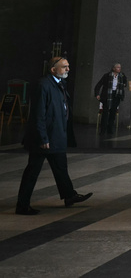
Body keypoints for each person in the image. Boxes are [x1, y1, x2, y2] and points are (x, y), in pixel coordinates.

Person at [16, 57, 92, 215]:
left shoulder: (59, 84)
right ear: (53, 69)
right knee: (32, 171)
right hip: (44, 138)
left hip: (56, 136)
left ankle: (69, 196)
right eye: (64, 67)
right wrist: (43, 138)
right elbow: (39, 114)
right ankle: (22, 205)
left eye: (68, 66)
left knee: (60, 167)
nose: (68, 69)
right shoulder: (44, 85)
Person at [93, 63, 127, 136]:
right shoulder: (107, 76)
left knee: (113, 113)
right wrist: (97, 94)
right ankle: (103, 130)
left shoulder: (122, 75)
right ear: (113, 68)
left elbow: (125, 82)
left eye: (120, 67)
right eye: (118, 67)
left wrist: (123, 85)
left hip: (116, 95)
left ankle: (110, 129)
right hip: (107, 96)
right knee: (105, 113)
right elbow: (98, 85)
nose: (119, 68)